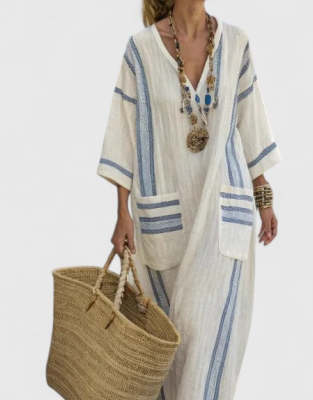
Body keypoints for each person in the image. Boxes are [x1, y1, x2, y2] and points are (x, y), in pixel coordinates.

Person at [97, 0, 281, 398]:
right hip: (164, 220)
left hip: (224, 215)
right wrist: (121, 212)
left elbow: (251, 121)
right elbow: (123, 131)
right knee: (173, 350)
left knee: (208, 343)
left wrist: (263, 197)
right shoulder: (141, 51)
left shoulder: (236, 44)